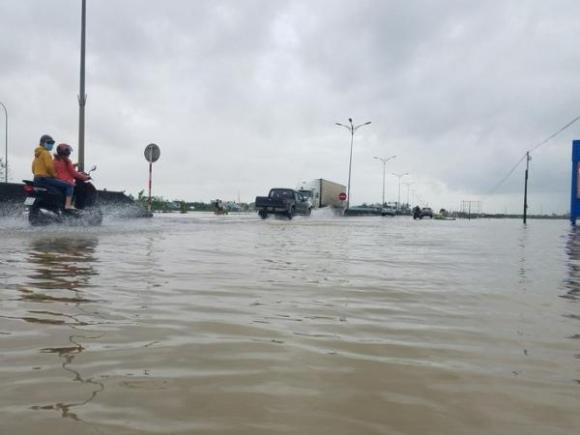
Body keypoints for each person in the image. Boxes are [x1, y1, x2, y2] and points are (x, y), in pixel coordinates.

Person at [31, 134, 76, 210]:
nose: (51, 144)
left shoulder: (37, 155)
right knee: (69, 186)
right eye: (49, 142)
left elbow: (33, 168)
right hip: (44, 179)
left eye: (52, 143)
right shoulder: (46, 153)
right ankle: (67, 205)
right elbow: (49, 166)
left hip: (36, 179)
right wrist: (54, 175)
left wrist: (38, 173)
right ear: (42, 143)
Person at [53, 144, 89, 208]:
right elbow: (73, 173)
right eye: (68, 151)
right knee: (74, 187)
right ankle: (68, 205)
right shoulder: (67, 161)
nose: (69, 153)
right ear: (65, 152)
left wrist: (73, 165)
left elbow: (63, 168)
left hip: (57, 180)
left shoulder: (55, 160)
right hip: (66, 181)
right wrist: (84, 177)